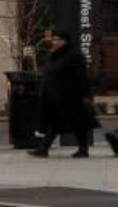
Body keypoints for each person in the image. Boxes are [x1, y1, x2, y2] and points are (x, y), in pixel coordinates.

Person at [32, 28, 97, 158]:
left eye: (57, 40)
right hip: (54, 96)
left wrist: (85, 95)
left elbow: (82, 77)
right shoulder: (53, 55)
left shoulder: (74, 56)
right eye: (54, 39)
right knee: (54, 123)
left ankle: (82, 150)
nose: (54, 42)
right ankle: (44, 149)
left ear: (65, 41)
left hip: (71, 96)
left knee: (78, 123)